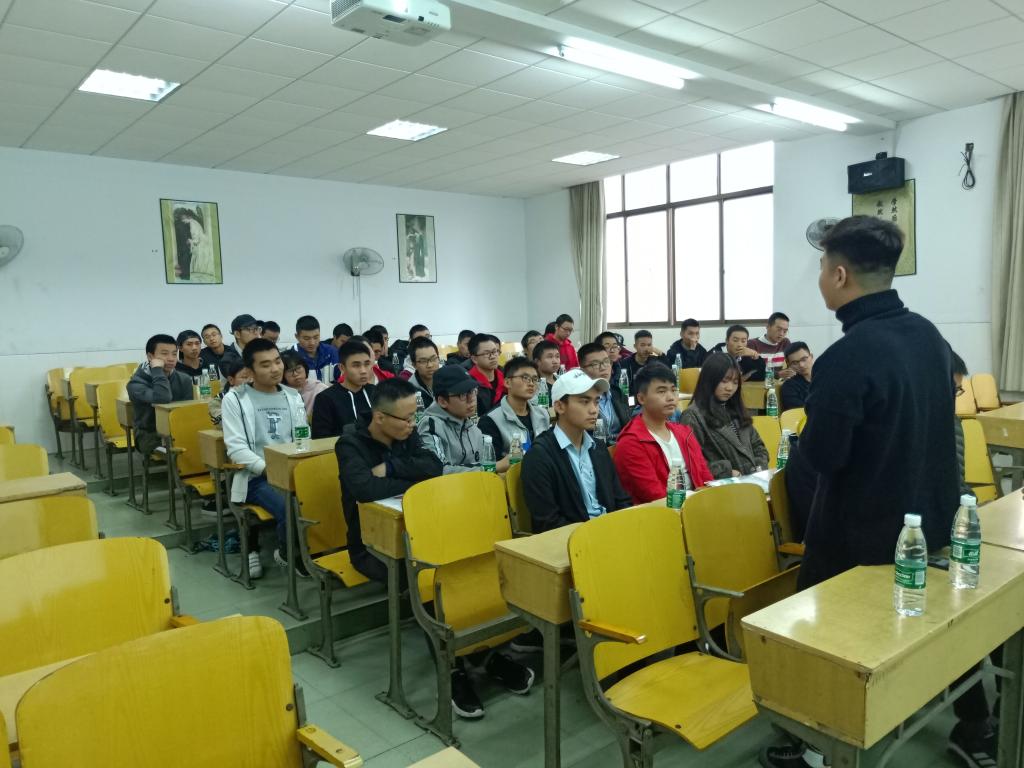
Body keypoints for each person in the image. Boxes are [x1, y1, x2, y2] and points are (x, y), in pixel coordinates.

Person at [760, 216, 962, 768]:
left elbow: (825, 457)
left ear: (840, 275)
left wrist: (801, 440)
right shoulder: (928, 335)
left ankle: (819, 748)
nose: (820, 278)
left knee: (831, 647)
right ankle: (969, 726)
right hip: (927, 523)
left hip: (859, 537)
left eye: (822, 267)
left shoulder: (847, 357)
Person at [336, 378, 443, 583]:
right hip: (370, 546)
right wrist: (415, 484)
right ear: (380, 417)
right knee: (421, 576)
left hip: (418, 531)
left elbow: (434, 466)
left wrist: (391, 467)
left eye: (414, 416)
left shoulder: (406, 433)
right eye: (407, 418)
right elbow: (365, 489)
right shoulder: (350, 445)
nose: (413, 424)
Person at [219, 338, 308, 579]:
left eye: (278, 361)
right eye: (266, 365)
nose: (276, 369)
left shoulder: (292, 396)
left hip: (291, 471)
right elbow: (236, 448)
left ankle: (315, 550)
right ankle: (290, 553)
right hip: (255, 477)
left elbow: (303, 437)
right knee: (290, 507)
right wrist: (269, 469)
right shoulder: (235, 399)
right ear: (249, 371)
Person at [520, 369, 631, 532]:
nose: (594, 410)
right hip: (572, 539)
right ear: (560, 406)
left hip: (610, 531)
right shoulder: (539, 456)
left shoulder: (598, 447)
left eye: (596, 402)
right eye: (584, 402)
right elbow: (548, 522)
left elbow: (620, 499)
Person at [614, 364, 713, 503]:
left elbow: (705, 477)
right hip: (660, 512)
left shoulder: (684, 433)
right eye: (661, 391)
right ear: (641, 399)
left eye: (673, 390)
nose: (671, 397)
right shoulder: (631, 442)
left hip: (696, 506)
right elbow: (654, 496)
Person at [679, 353, 768, 478]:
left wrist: (759, 466)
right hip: (723, 486)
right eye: (724, 381)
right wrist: (727, 472)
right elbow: (692, 462)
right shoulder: (692, 416)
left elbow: (758, 446)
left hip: (752, 480)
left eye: (735, 382)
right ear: (709, 380)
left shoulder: (735, 409)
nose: (730, 388)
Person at [418, 365, 508, 473]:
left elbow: (484, 463)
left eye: (473, 391)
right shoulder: (430, 425)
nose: (471, 399)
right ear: (442, 401)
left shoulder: (472, 427)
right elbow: (440, 470)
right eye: (463, 395)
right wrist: (495, 467)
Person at [127, 334, 194, 456]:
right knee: (176, 453)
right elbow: (162, 398)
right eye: (164, 354)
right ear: (150, 356)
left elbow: (188, 411)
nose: (171, 359)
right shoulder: (136, 384)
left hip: (180, 431)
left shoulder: (184, 379)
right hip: (150, 435)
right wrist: (157, 370)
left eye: (174, 354)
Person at [479, 357, 550, 459]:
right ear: (507, 382)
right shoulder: (491, 420)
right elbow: (492, 464)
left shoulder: (542, 414)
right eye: (525, 378)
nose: (531, 383)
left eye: (535, 379)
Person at [311, 341, 376, 438]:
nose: (363, 371)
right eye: (356, 365)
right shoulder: (325, 399)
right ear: (342, 368)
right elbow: (320, 440)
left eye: (367, 364)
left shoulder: (377, 393)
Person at [577, 342, 629, 443]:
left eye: (606, 362)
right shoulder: (579, 399)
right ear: (582, 371)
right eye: (595, 364)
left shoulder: (617, 393)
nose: (603, 367)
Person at [281, 350, 328, 419]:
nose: (295, 374)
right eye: (290, 371)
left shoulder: (320, 389)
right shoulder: (280, 393)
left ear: (305, 367)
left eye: (298, 368)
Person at [747, 312, 793, 380]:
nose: (781, 334)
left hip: (777, 384)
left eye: (785, 331)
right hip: (759, 384)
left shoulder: (785, 343)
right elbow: (751, 373)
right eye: (779, 329)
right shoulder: (752, 344)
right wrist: (777, 374)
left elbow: (793, 363)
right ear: (768, 326)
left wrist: (788, 372)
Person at [468, 333, 506, 415]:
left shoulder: (506, 377)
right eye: (486, 353)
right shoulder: (468, 383)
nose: (493, 357)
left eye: (494, 351)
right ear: (474, 359)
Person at [293, 315, 339, 382]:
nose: (312, 343)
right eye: (306, 338)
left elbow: (341, 378)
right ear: (297, 336)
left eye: (316, 337)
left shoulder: (331, 352)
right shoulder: (292, 357)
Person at [623, 330, 668, 395]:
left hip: (652, 396)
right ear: (635, 346)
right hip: (633, 397)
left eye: (649, 345)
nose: (646, 349)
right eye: (642, 345)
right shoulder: (625, 363)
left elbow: (668, 368)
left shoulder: (655, 362)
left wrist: (659, 352)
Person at [209, 359, 252, 426]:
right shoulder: (219, 400)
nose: (250, 381)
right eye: (245, 377)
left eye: (254, 377)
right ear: (231, 380)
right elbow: (227, 424)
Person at [407, 336, 440, 408]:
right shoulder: (409, 392)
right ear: (414, 365)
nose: (430, 365)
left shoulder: (449, 381)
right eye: (423, 361)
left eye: (433, 359)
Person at [779, 342, 813, 412]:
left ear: (811, 357)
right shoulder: (789, 387)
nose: (801, 365)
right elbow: (802, 411)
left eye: (804, 359)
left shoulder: (825, 379)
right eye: (795, 363)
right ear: (789, 364)